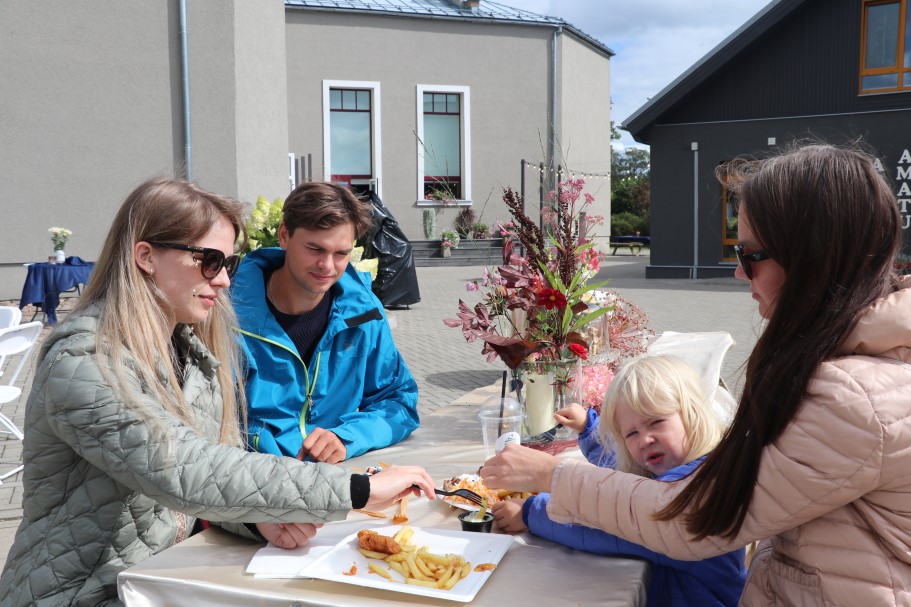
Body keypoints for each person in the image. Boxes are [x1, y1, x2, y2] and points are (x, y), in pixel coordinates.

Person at [481, 142, 911, 605]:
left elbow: (691, 520)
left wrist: (552, 477)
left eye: (748, 255)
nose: (739, 274)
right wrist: (589, 435)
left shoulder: (851, 395)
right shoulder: (852, 364)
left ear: (811, 258)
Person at [0, 178, 435, 606]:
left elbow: (206, 474)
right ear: (146, 256)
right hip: (80, 591)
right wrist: (357, 489)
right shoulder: (85, 357)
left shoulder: (189, 346)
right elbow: (182, 468)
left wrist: (255, 520)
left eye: (228, 263)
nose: (226, 280)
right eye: (209, 261)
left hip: (160, 579)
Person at [492, 356, 745, 607]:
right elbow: (625, 480)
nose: (644, 440)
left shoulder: (699, 488)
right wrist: (590, 430)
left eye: (656, 421)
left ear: (693, 413)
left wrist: (531, 512)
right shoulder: (685, 462)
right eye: (631, 433)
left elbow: (611, 525)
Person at [232, 182, 419, 463]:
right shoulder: (226, 312)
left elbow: (399, 401)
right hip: (249, 477)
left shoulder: (364, 313)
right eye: (315, 249)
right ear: (284, 236)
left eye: (341, 253)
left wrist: (347, 437)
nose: (328, 266)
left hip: (333, 478)